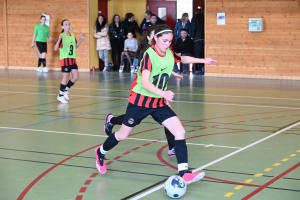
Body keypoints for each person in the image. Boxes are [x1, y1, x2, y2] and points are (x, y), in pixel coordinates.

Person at [95, 24, 217, 185]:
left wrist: (204, 60)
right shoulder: (149, 55)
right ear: (156, 38)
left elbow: (183, 58)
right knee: (123, 135)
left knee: (179, 131)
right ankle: (100, 152)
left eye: (170, 41)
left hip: (158, 103)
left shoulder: (169, 53)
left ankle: (184, 173)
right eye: (165, 41)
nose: (168, 44)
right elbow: (145, 83)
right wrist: (163, 93)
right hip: (140, 101)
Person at [54, 19, 85, 104]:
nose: (68, 25)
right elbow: (55, 48)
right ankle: (60, 96)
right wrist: (58, 40)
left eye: (68, 24)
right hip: (65, 59)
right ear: (63, 26)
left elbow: (75, 46)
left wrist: (81, 39)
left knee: (76, 77)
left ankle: (65, 90)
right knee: (66, 77)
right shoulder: (62, 36)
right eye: (66, 24)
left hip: (72, 59)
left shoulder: (72, 35)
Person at [191, 8, 205, 75]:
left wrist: (192, 36)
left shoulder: (194, 18)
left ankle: (199, 69)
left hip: (197, 39)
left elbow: (193, 28)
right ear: (201, 12)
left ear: (196, 12)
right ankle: (203, 68)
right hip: (205, 38)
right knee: (203, 54)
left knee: (198, 55)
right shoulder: (204, 17)